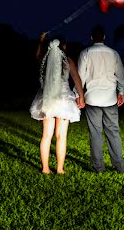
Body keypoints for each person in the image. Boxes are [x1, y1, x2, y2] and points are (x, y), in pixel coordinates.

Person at [30, 33, 85, 174]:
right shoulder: (68, 60)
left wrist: (40, 42)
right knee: (61, 136)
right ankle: (60, 169)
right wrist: (81, 96)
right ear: (64, 46)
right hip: (64, 100)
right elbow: (76, 79)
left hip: (48, 99)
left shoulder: (45, 59)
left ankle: (45, 168)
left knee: (46, 135)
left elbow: (37, 57)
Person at [77, 25, 124, 173]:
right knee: (113, 131)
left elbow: (80, 77)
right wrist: (121, 92)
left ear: (91, 38)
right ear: (104, 37)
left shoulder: (86, 53)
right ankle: (120, 166)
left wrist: (78, 96)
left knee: (95, 133)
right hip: (110, 98)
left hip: (92, 98)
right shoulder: (114, 53)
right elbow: (120, 75)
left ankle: (98, 168)